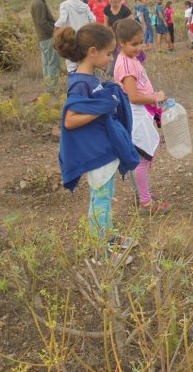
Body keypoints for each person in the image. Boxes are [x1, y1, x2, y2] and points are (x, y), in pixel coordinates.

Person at [55, 22, 139, 264]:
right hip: (95, 154)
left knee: (105, 196)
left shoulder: (89, 78)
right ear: (92, 52)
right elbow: (70, 120)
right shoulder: (81, 82)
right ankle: (101, 252)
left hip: (103, 151)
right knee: (100, 199)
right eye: (108, 53)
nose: (111, 58)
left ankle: (109, 237)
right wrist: (104, 106)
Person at [113, 19, 172, 215]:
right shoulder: (126, 66)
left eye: (141, 42)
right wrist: (155, 97)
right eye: (134, 44)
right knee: (142, 160)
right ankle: (145, 203)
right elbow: (133, 96)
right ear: (121, 42)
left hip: (140, 115)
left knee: (143, 157)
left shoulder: (130, 59)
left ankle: (142, 193)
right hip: (136, 117)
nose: (139, 47)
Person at [54, 0, 96, 73]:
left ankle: (74, 82)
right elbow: (93, 19)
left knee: (71, 62)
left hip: (71, 37)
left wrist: (56, 28)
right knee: (84, 60)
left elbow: (62, 20)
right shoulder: (84, 5)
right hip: (84, 36)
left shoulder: (64, 5)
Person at [30, 0, 61, 94]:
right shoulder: (38, 3)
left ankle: (49, 89)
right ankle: (52, 90)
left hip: (44, 38)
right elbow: (41, 22)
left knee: (47, 64)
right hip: (47, 38)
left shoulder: (39, 2)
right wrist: (55, 32)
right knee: (53, 63)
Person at [103, 0, 133, 76]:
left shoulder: (125, 10)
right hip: (112, 38)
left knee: (123, 60)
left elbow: (132, 26)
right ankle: (110, 78)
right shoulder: (107, 9)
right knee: (110, 62)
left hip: (124, 40)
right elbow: (106, 25)